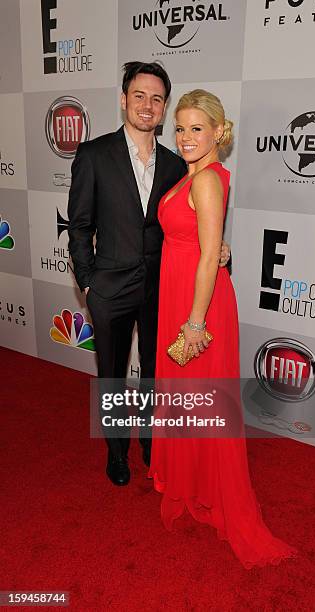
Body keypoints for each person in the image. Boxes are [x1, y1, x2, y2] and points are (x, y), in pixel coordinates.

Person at [148, 89, 298, 569]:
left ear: (218, 131)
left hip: (200, 304)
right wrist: (215, 249)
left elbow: (208, 254)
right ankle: (195, 483)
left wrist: (195, 322)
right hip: (185, 289)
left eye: (197, 128)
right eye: (181, 128)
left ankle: (214, 489)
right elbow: (206, 241)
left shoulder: (207, 180)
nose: (187, 137)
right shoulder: (192, 176)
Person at [68, 62, 229, 487]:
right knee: (113, 373)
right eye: (139, 95)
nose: (147, 105)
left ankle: (152, 441)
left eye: (157, 99)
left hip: (164, 286)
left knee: (159, 372)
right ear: (123, 100)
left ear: (164, 108)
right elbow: (80, 226)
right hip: (109, 287)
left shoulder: (180, 164)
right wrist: (89, 283)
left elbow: (192, 222)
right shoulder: (93, 154)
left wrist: (217, 248)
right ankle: (116, 451)